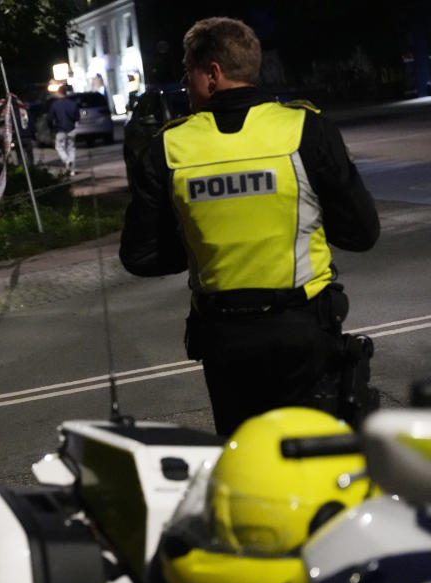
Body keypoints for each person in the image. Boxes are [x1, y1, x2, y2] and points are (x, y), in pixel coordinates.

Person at [119, 17, 380, 437]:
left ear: (214, 73)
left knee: (245, 465)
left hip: (226, 342)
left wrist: (203, 243)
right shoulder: (306, 129)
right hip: (305, 333)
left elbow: (140, 256)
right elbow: (361, 234)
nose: (186, 84)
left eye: (189, 72)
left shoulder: (169, 147)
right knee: (315, 460)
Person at [49, 84, 79, 175]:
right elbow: (77, 117)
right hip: (71, 129)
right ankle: (72, 170)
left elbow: (50, 118)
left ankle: (67, 161)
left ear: (59, 93)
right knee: (71, 148)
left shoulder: (55, 105)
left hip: (60, 129)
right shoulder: (73, 104)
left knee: (59, 147)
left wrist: (52, 128)